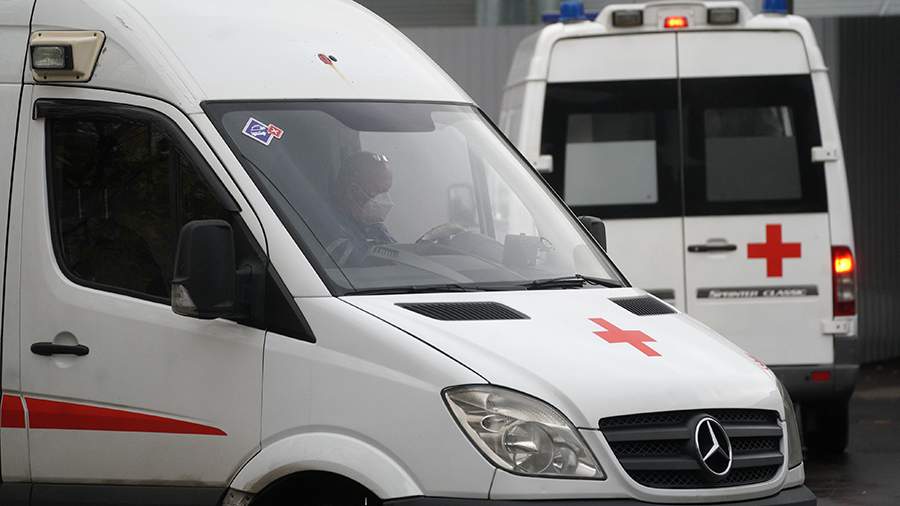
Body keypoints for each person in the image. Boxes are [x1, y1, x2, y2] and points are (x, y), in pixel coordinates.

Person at [328, 151, 396, 263]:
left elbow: (399, 256)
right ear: (353, 190)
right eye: (378, 191)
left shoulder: (375, 227)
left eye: (386, 192)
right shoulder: (327, 225)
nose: (386, 200)